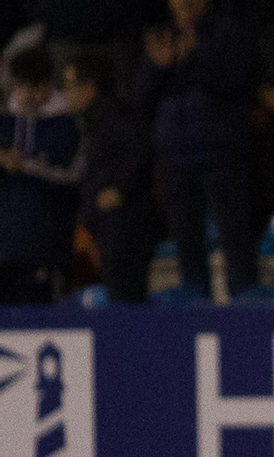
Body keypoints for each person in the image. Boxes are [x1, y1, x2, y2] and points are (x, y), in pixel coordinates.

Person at [136, 0, 258, 300]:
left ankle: (245, 305)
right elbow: (140, 98)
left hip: (220, 151)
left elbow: (241, 83)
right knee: (186, 239)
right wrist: (158, 66)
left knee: (234, 234)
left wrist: (198, 56)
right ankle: (196, 307)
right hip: (175, 155)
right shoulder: (160, 36)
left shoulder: (225, 30)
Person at [61, 53, 157, 303]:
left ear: (89, 87)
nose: (66, 93)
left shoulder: (111, 115)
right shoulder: (91, 121)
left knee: (126, 294)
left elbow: (141, 148)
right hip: (110, 224)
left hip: (125, 223)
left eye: (71, 86)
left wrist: (120, 189)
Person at [0, 46, 79, 304]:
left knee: (44, 316)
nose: (26, 94)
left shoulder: (66, 123)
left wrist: (24, 167)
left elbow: (72, 176)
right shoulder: (5, 123)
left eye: (33, 86)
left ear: (46, 85)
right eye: (20, 85)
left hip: (47, 244)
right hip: (6, 246)